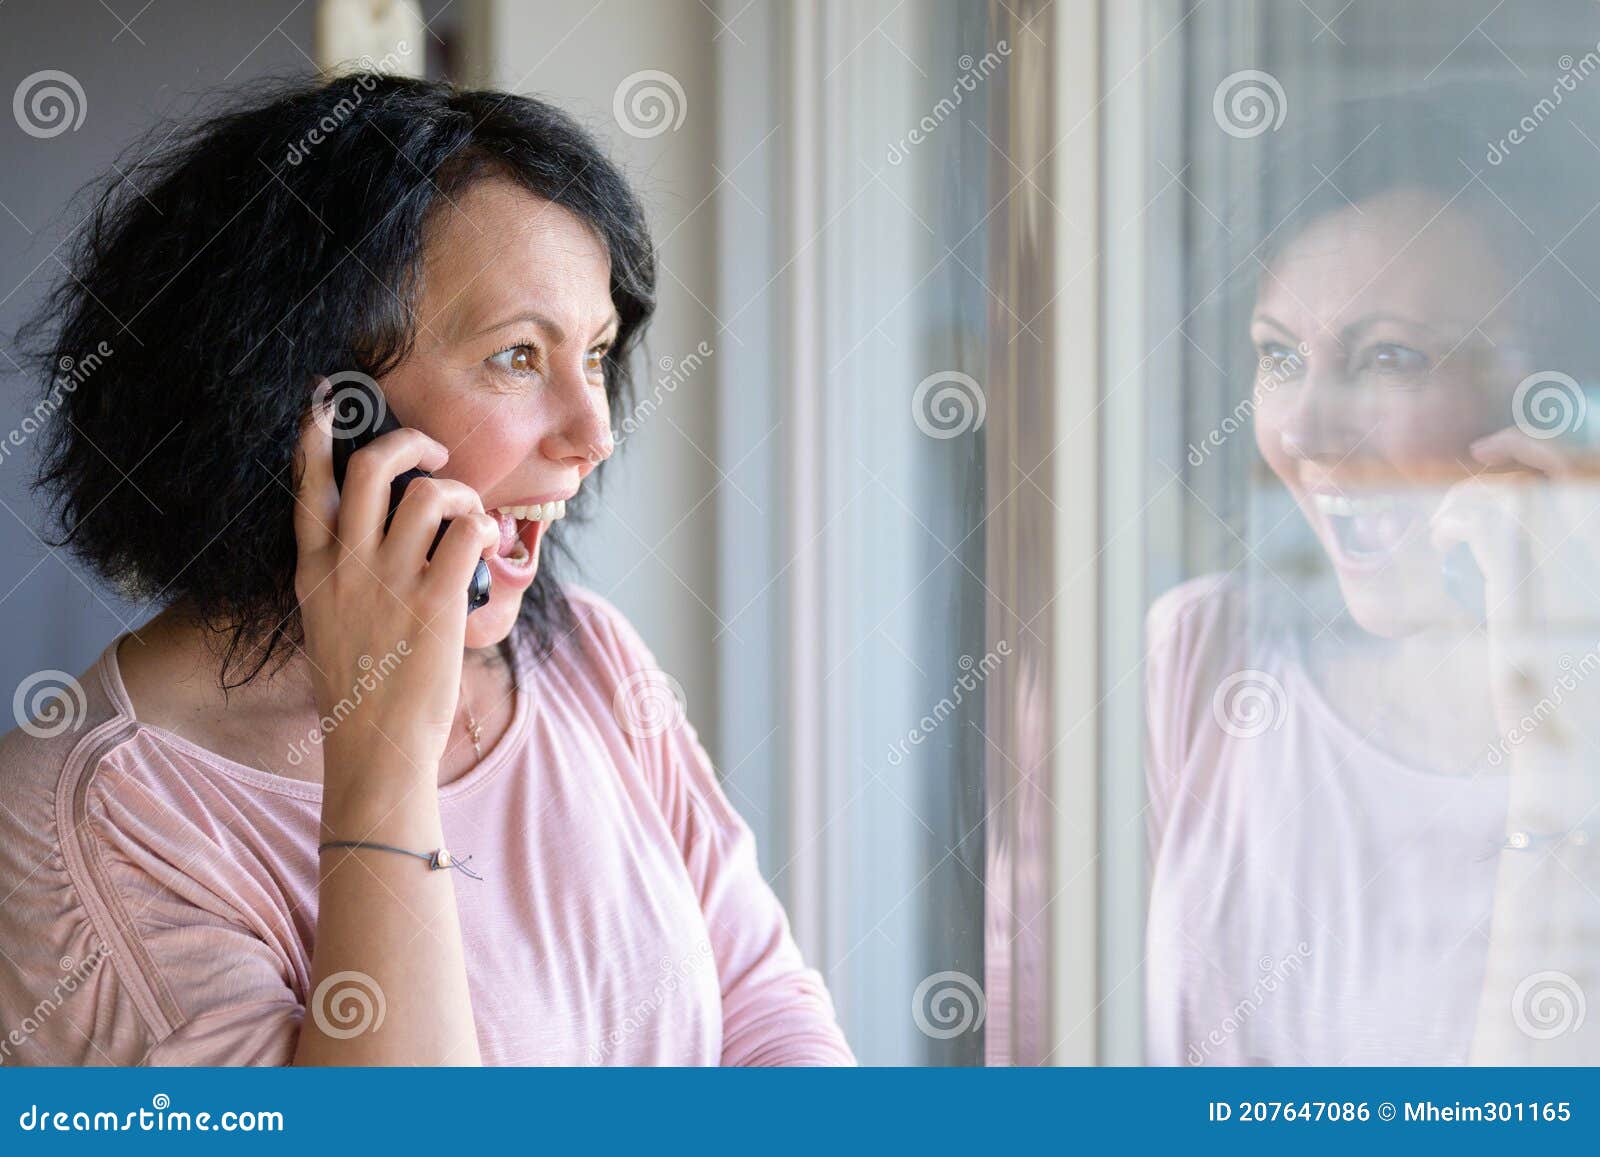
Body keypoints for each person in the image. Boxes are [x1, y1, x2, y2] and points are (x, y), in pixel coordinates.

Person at [0, 74, 853, 1067]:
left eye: (597, 352)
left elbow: (765, 1008)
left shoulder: (589, 659)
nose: (596, 433)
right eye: (518, 357)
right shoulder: (84, 823)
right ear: (314, 409)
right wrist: (382, 752)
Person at [1145, 84, 1600, 1065]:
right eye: (1277, 356)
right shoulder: (1202, 655)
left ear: (1553, 398)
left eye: (1388, 357)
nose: (1304, 430)